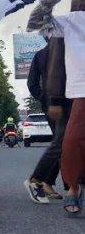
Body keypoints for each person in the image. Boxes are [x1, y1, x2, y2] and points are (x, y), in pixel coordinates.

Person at [27, 0, 84, 215]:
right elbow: (35, 21)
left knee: (68, 141)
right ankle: (71, 187)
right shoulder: (70, 22)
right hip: (75, 91)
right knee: (68, 141)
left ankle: (69, 185)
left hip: (73, 92)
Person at [25, 41, 70, 202]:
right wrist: (47, 99)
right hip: (57, 105)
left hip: (62, 102)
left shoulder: (42, 53)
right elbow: (32, 83)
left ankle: (47, 182)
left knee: (64, 144)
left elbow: (32, 84)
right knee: (61, 143)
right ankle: (37, 179)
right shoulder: (46, 54)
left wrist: (43, 99)